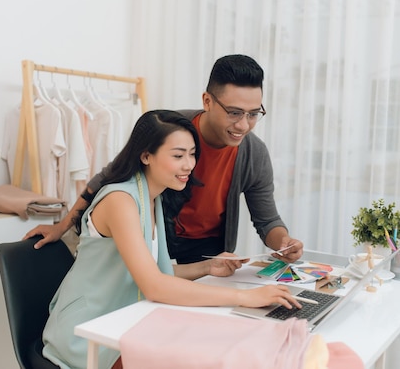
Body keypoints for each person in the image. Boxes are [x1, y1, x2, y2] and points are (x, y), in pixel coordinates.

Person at [40, 110, 303, 369]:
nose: (189, 164)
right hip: (89, 333)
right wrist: (244, 297)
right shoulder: (120, 200)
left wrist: (206, 268)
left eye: (191, 154)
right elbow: (154, 285)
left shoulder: (153, 198)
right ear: (146, 156)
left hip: (126, 321)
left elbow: (152, 272)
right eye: (178, 155)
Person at [25, 54, 304, 264]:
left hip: (207, 249)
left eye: (253, 113)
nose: (244, 125)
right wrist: (62, 226)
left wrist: (284, 242)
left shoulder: (254, 153)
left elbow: (267, 220)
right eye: (234, 112)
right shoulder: (170, 128)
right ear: (207, 101)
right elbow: (109, 177)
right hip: (155, 239)